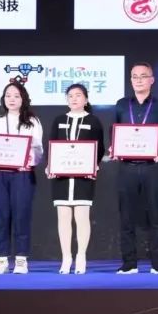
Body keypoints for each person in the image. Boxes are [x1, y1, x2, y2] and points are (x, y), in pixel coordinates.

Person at [109, 62, 158, 275]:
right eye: (134, 76)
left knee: (157, 216)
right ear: (130, 80)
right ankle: (129, 263)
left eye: (143, 76)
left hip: (152, 167)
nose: (139, 80)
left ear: (152, 80)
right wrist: (114, 146)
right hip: (127, 167)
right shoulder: (121, 105)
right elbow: (114, 132)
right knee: (127, 217)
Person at [0, 81, 43, 275]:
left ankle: (21, 259)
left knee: (21, 216)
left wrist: (29, 161)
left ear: (23, 99)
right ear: (3, 99)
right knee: (1, 216)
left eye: (16, 95)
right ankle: (1, 259)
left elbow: (38, 150)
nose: (12, 99)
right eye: (8, 95)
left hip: (22, 174)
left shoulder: (32, 121)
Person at [46, 84, 105, 275]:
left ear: (86, 99)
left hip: (84, 176)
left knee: (82, 216)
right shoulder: (59, 120)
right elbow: (52, 145)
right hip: (61, 176)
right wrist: (50, 165)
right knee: (63, 217)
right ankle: (66, 257)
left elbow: (100, 148)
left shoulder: (94, 121)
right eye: (70, 96)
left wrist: (94, 165)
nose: (74, 99)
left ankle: (81, 256)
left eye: (78, 95)